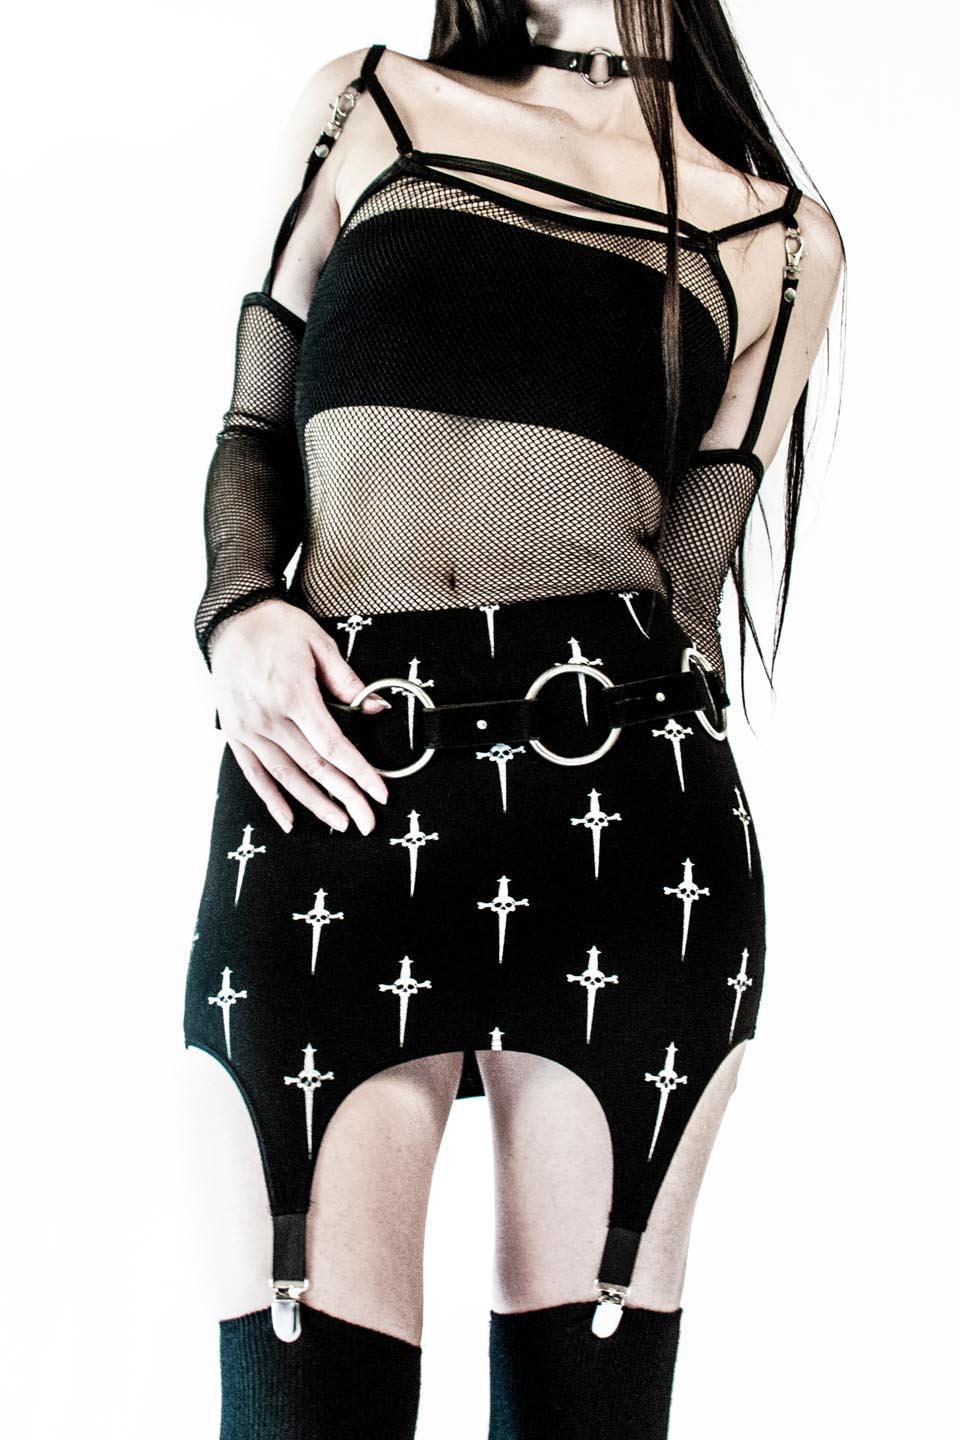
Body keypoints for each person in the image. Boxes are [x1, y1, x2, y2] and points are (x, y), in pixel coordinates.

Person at [182, 3, 844, 1436]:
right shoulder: (367, 106)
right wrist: (237, 612)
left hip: (628, 820)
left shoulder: (779, 241)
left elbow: (686, 585)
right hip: (335, 779)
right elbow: (253, 427)